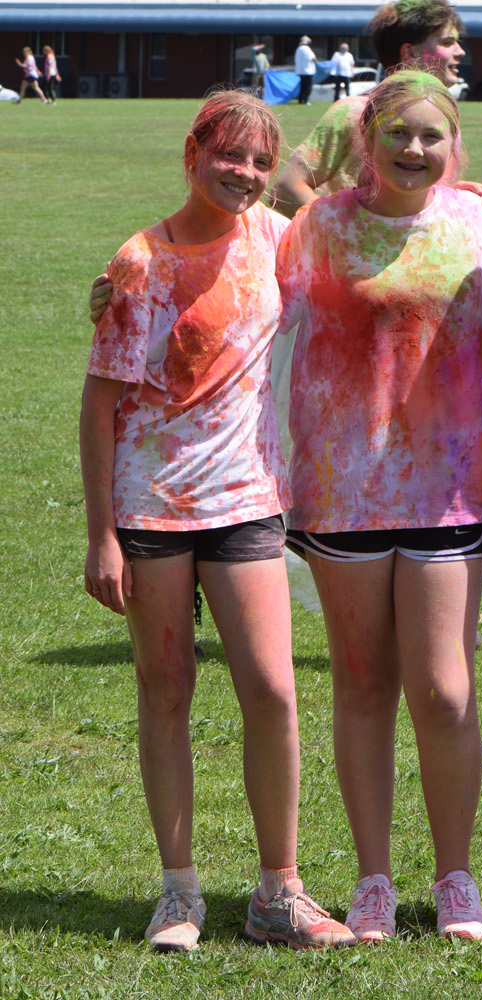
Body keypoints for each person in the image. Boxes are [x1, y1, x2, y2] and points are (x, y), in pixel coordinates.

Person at [81, 90, 353, 953]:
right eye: (230, 154)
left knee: (272, 690)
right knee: (165, 691)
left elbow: (372, 233)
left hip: (246, 502)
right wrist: (102, 536)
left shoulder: (278, 240)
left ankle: (280, 892)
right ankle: (178, 894)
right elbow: (99, 405)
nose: (245, 173)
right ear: (193, 151)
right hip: (151, 509)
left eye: (261, 162)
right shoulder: (141, 261)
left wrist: (478, 209)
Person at [275, 69, 482, 943]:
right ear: (365, 140)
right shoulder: (319, 227)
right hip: (342, 489)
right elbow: (250, 296)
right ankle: (373, 880)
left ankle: (456, 877)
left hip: (446, 489)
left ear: (454, 145)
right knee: (365, 684)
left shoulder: (476, 223)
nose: (414, 149)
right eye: (397, 133)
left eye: (431, 135)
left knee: (444, 690)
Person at [273, 2, 482, 219]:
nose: (460, 51)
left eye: (431, 137)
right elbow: (287, 187)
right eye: (447, 42)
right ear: (409, 52)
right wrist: (341, 229)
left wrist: (453, 195)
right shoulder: (354, 111)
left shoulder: (443, 118)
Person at [294, 36, 317, 105]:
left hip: (300, 71)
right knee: (307, 87)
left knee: (302, 86)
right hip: (308, 71)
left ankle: (300, 99)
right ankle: (305, 100)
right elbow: (313, 58)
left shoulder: (298, 49)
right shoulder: (307, 49)